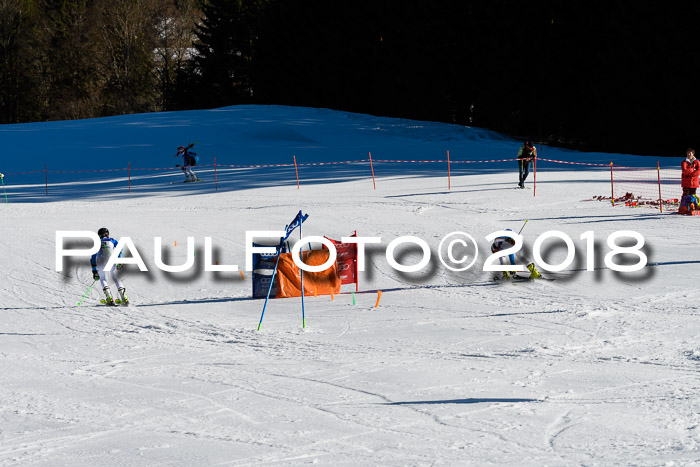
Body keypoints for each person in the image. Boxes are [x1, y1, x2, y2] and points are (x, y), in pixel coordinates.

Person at [90, 227, 128, 306]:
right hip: (112, 262)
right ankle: (124, 297)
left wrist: (94, 270)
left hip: (100, 263)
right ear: (107, 234)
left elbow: (93, 256)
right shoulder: (112, 240)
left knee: (102, 278)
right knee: (116, 278)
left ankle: (109, 298)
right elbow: (120, 250)